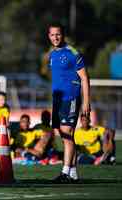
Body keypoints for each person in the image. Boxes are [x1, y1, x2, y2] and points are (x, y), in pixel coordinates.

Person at [47, 23, 91, 183]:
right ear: (49, 36)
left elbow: (85, 78)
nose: (55, 37)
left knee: (67, 135)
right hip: (57, 100)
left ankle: (65, 173)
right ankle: (73, 173)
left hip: (70, 98)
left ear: (63, 35)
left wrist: (86, 101)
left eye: (58, 34)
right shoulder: (52, 55)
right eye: (52, 35)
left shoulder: (73, 53)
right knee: (63, 135)